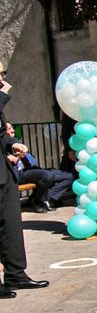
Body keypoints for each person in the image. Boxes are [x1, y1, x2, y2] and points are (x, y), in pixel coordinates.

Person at [0, 74, 48, 294]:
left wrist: (12, 145)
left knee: (10, 225)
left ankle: (16, 274)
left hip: (4, 172)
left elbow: (2, 133)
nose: (2, 79)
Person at [6, 123, 73, 212]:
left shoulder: (16, 143)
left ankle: (49, 198)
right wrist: (7, 159)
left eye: (12, 128)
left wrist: (23, 156)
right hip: (17, 174)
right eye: (9, 129)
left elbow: (30, 164)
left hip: (30, 170)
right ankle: (38, 200)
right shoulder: (3, 146)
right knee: (47, 175)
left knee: (69, 176)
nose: (13, 130)